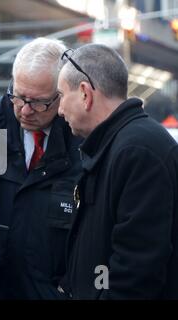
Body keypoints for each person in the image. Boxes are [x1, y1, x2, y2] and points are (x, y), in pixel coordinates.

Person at [0, 38, 83, 299]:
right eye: (18, 97)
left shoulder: (82, 134)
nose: (25, 110)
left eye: (39, 102)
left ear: (61, 93)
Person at [57, 43, 178, 299]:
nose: (59, 109)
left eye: (61, 95)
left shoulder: (137, 150)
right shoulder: (118, 144)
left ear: (84, 94)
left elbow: (136, 271)